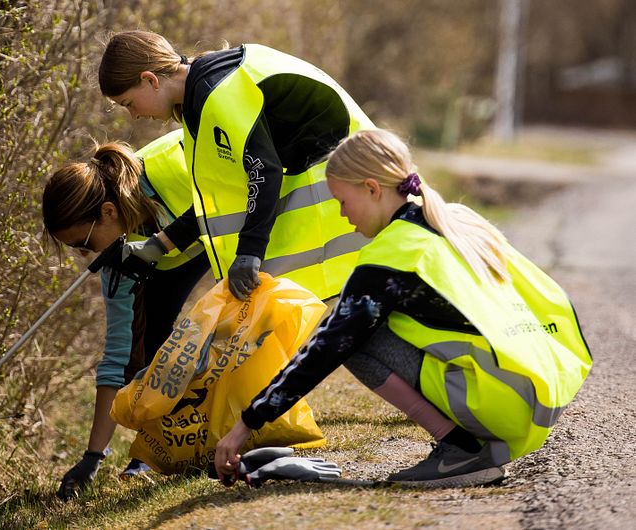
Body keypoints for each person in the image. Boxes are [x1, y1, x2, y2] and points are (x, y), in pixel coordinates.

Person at [214, 129, 592, 488]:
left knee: (352, 338)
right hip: (539, 388)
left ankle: (459, 450)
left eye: (342, 202)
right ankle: (465, 442)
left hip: (499, 401)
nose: (343, 214)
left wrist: (245, 425)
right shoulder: (458, 220)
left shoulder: (392, 253)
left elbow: (327, 346)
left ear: (373, 189)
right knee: (366, 323)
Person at [98, 29, 375, 302]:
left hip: (346, 209)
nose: (134, 115)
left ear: (150, 80)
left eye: (129, 103)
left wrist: (249, 252)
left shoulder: (217, 94)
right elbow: (223, 195)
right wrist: (158, 246)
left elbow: (263, 171)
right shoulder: (205, 96)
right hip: (353, 200)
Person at [42, 130, 210, 500]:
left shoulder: (173, 175)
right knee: (148, 337)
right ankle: (160, 445)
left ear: (107, 212)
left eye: (82, 244)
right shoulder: (117, 262)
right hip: (179, 251)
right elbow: (119, 355)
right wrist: (93, 456)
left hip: (237, 224)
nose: (84, 257)